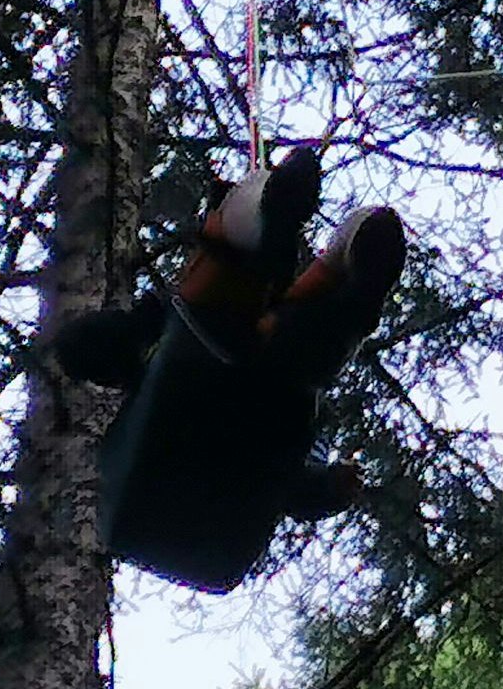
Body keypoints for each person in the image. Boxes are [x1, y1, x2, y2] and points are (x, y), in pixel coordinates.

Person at [52, 144, 406, 593]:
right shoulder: (182, 343)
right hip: (209, 456)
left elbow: (82, 349)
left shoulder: (169, 338)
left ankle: (262, 244)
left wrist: (140, 326)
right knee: (282, 358)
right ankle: (316, 274)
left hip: (181, 455)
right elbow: (297, 486)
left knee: (262, 345)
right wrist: (328, 489)